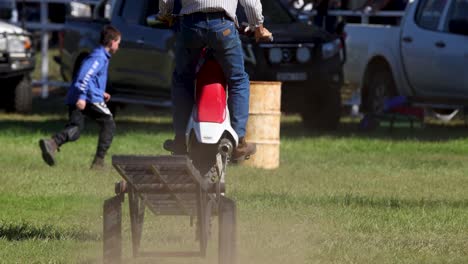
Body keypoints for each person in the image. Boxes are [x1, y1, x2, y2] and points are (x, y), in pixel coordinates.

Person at [158, 0, 273, 160]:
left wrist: (165, 14)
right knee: (238, 80)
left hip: (191, 26)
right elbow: (251, 3)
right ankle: (239, 140)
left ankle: (179, 140)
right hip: (223, 27)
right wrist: (258, 27)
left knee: (182, 79)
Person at [38, 25, 121, 169]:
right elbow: (84, 76)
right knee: (109, 123)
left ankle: (51, 144)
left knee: (75, 129)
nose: (119, 46)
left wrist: (101, 92)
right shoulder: (99, 57)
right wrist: (82, 97)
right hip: (87, 98)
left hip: (81, 95)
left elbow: (90, 79)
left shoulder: (99, 55)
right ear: (112, 42)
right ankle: (98, 163)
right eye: (119, 43)